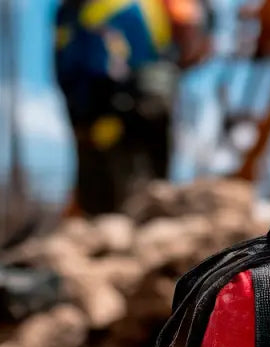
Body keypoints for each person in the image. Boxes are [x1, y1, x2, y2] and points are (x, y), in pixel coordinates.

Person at [54, 0, 212, 217]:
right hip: (128, 97)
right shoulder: (148, 7)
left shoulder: (79, 12)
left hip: (122, 100)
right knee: (136, 192)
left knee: (124, 196)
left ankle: (129, 220)